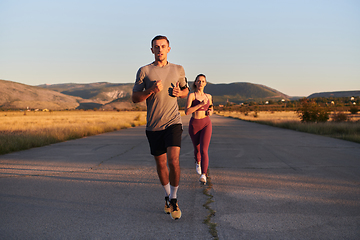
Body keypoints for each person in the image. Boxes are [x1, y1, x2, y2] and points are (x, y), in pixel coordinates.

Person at [132, 35, 189, 220]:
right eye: (156, 47)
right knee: (161, 164)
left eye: (163, 46)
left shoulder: (178, 69)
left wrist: (181, 93)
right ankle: (167, 195)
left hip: (173, 122)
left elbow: (186, 90)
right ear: (152, 50)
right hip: (153, 126)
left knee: (174, 161)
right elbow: (135, 98)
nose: (160, 50)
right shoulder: (144, 71)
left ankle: (174, 198)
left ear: (169, 49)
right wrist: (150, 91)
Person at [185, 74, 213, 184]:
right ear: (195, 83)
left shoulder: (209, 96)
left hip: (206, 123)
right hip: (194, 124)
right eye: (199, 81)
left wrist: (210, 111)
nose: (201, 83)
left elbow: (211, 107)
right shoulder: (192, 95)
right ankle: (198, 162)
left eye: (203, 81)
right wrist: (199, 105)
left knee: (204, 150)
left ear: (205, 83)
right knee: (197, 149)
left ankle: (204, 175)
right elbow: (187, 111)